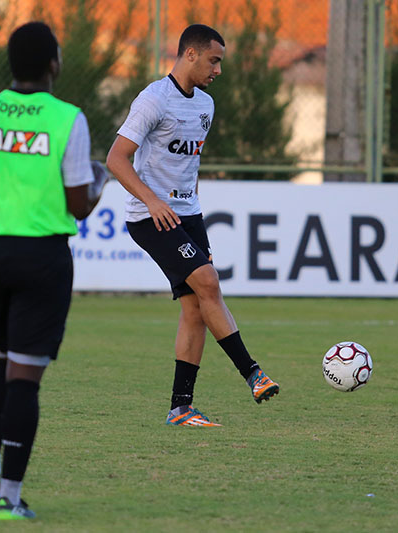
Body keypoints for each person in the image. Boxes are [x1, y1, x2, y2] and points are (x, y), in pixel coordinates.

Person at [0, 21, 106, 520]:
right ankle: (9, 497)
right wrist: (99, 179)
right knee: (24, 378)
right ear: (54, 63)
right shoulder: (66, 119)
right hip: (42, 259)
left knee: (0, 361)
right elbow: (78, 206)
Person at [106, 24, 279, 428]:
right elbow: (116, 158)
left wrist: (190, 207)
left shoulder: (205, 104)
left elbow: (189, 165)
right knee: (208, 283)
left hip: (188, 215)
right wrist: (152, 201)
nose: (218, 69)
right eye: (214, 60)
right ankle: (252, 373)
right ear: (190, 54)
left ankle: (181, 408)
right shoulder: (153, 99)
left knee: (195, 308)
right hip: (151, 217)